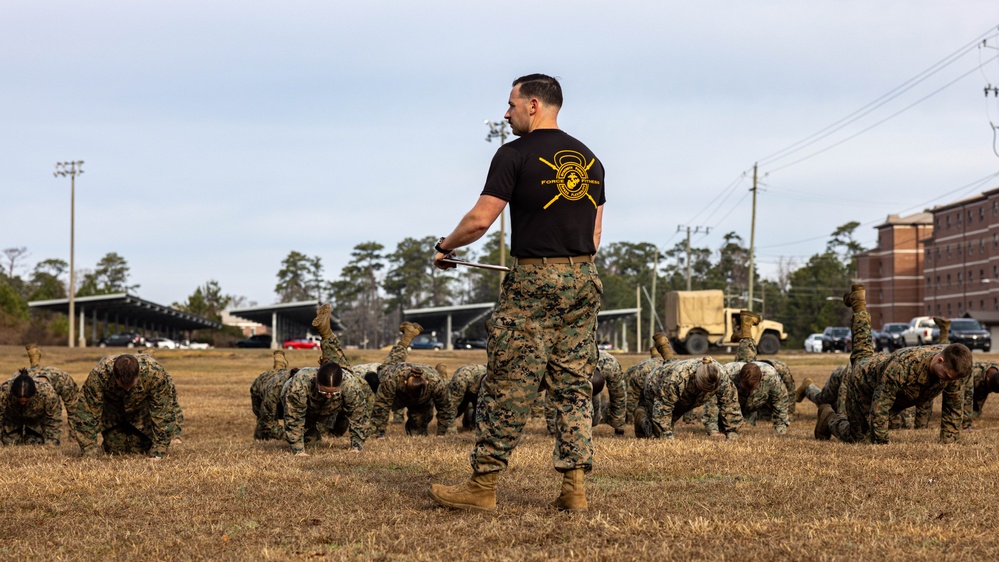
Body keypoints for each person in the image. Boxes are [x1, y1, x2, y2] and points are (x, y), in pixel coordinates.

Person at [430, 73, 605, 512]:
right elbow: (596, 235)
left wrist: (445, 246)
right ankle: (574, 489)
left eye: (510, 105)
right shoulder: (590, 161)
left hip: (533, 283)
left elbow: (479, 220)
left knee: (508, 381)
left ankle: (483, 485)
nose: (506, 114)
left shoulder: (513, 154)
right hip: (583, 278)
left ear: (533, 105)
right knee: (572, 385)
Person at [814, 285, 972, 444]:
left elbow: (952, 409)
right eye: (945, 376)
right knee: (857, 438)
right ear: (940, 360)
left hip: (882, 369)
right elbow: (880, 406)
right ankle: (829, 417)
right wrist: (881, 443)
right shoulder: (904, 366)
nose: (947, 381)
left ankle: (858, 303)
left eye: (951, 379)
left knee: (863, 347)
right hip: (863, 381)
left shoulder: (955, 369)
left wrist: (949, 443)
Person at [75, 354, 183, 458]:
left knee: (142, 448)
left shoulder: (154, 373)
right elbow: (86, 413)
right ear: (114, 375)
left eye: (130, 385)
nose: (127, 389)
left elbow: (163, 413)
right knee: (114, 450)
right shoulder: (99, 375)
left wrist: (159, 452)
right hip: (114, 408)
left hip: (142, 409)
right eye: (122, 386)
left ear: (138, 374)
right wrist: (88, 452)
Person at [703, 313, 789, 436]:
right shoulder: (725, 375)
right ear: (740, 379)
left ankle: (745, 332)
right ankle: (745, 331)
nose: (748, 390)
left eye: (751, 388)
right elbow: (711, 402)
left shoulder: (770, 376)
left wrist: (780, 429)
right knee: (746, 359)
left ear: (761, 380)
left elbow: (780, 402)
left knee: (748, 358)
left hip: (751, 393)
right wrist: (713, 430)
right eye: (745, 387)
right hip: (735, 379)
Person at [369, 323, 454, 438]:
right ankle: (407, 337)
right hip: (397, 382)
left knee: (418, 433)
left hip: (422, 401)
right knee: (391, 362)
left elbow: (445, 408)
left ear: (427, 383)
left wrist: (441, 433)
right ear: (404, 383)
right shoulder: (391, 378)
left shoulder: (436, 382)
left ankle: (409, 334)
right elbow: (381, 406)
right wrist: (380, 434)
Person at [23, 343, 81, 440]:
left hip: (59, 380)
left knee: (74, 408)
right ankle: (34, 356)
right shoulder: (24, 382)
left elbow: (73, 409)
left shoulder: (62, 379)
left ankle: (34, 356)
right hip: (35, 380)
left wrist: (74, 437)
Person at [1, 369, 62, 446]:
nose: (23, 403)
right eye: (19, 400)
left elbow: (53, 420)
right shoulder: (3, 391)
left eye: (26, 401)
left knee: (35, 444)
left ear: (34, 394)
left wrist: (51, 443)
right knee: (10, 444)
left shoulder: (48, 394)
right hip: (12, 420)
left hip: (36, 422)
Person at [250, 350, 291, 440]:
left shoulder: (301, 385)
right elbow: (267, 423)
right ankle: (279, 360)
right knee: (263, 420)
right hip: (262, 385)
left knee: (278, 371)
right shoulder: (272, 394)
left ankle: (279, 360)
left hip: (280, 377)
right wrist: (288, 437)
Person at [447, 364, 487, 432]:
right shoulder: (461, 378)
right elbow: (452, 405)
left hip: (477, 387)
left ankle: (473, 424)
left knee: (481, 407)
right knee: (456, 408)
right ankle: (448, 426)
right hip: (464, 381)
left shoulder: (491, 379)